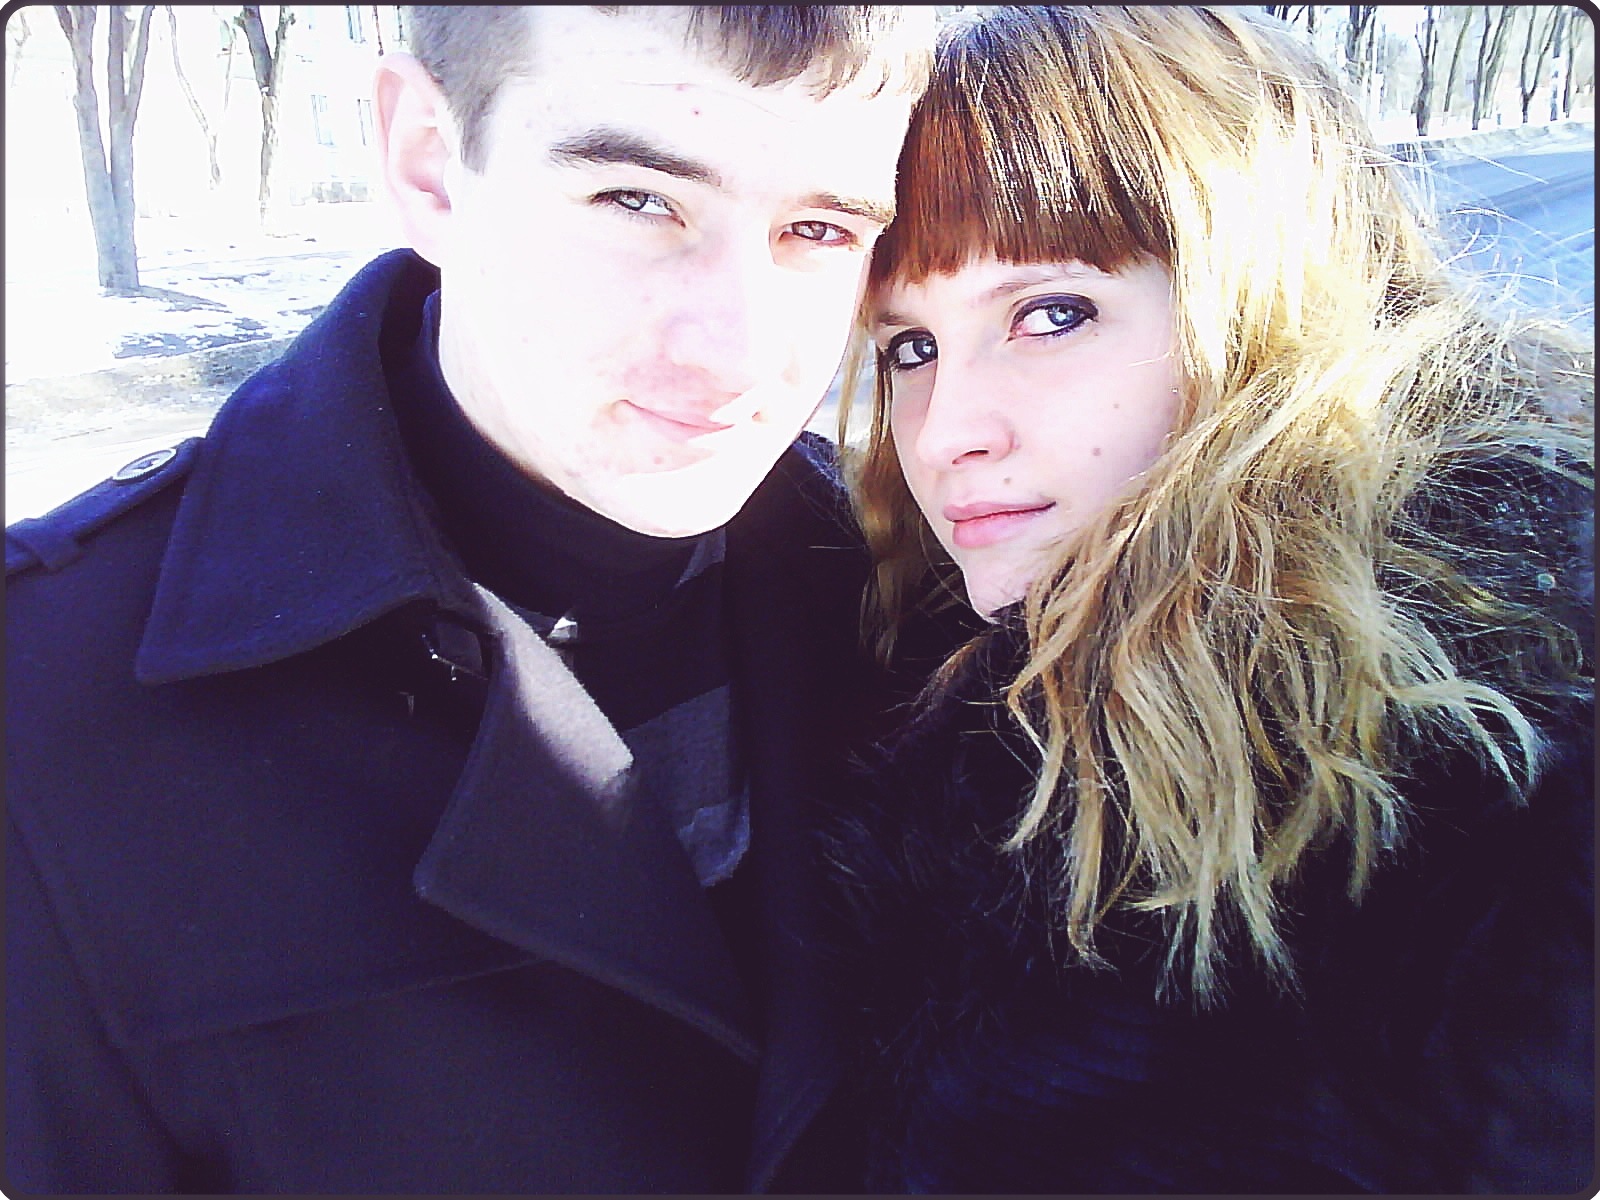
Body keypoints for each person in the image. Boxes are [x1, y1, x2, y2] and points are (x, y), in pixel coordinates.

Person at [6, 6, 933, 1192]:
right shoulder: (50, 700)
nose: (737, 350)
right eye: (637, 201)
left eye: (819, 229)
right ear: (429, 164)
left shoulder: (921, 605)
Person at [825, 6, 1594, 1193]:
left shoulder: (1507, 780)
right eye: (909, 347)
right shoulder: (930, 647)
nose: (943, 435)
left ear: (1272, 298)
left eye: (1051, 313)